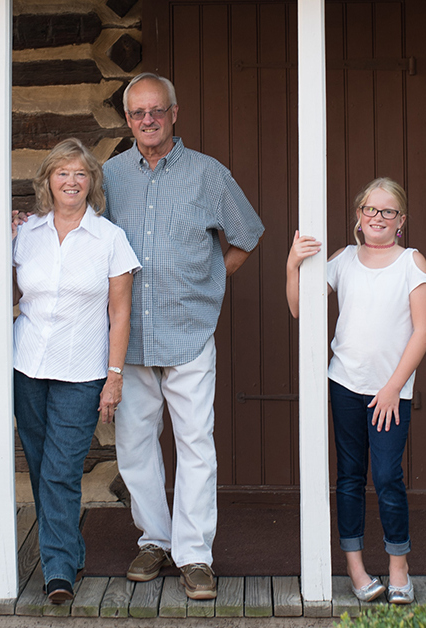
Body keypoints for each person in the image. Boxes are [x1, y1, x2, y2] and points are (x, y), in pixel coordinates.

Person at [103, 72, 265, 600]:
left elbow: (246, 235)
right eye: (137, 113)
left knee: (196, 445)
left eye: (157, 110)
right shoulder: (106, 177)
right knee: (134, 444)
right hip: (129, 340)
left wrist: (210, 283)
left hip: (190, 333)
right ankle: (154, 539)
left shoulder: (208, 174)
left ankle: (194, 554)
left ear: (175, 113)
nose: (147, 120)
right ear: (127, 120)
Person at [286, 178, 426, 605]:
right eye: (371, 209)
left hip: (390, 393)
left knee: (388, 477)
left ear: (400, 220)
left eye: (388, 212)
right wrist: (292, 265)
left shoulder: (412, 262)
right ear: (358, 215)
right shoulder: (343, 260)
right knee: (350, 478)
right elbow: (301, 309)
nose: (378, 218)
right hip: (345, 385)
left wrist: (392, 389)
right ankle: (355, 566)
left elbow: (423, 331)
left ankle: (398, 567)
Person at [14, 139, 140, 604]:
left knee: (61, 470)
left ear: (92, 183)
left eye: (80, 174)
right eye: (62, 173)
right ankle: (68, 550)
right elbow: (4, 291)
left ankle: (58, 570)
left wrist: (114, 374)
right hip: (25, 365)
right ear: (48, 180)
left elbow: (120, 314)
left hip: (82, 370)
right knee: (41, 465)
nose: (71, 181)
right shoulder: (26, 234)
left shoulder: (110, 238)